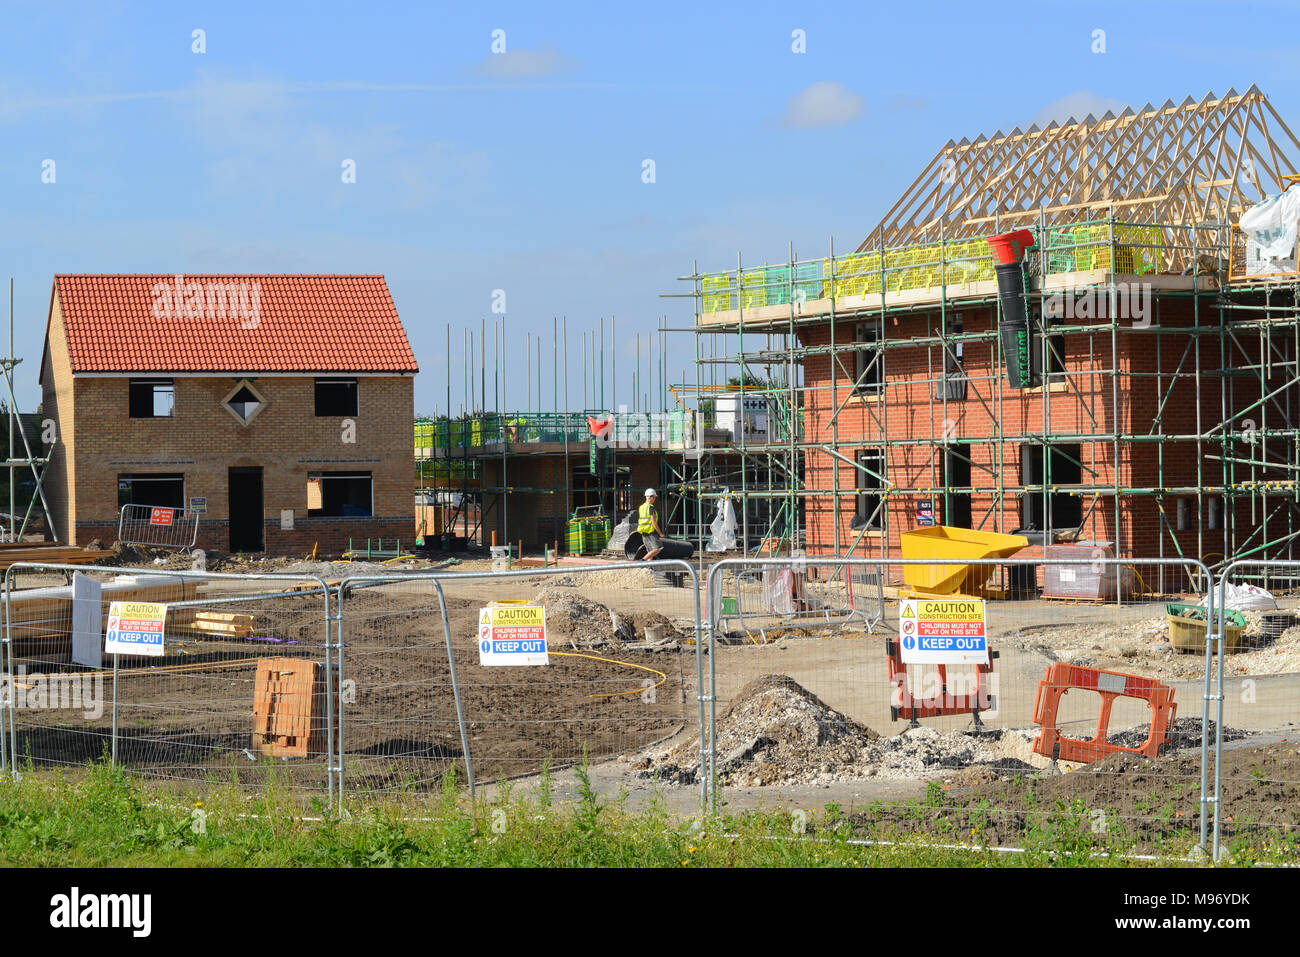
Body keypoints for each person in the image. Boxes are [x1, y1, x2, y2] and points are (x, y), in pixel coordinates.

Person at [637, 488, 664, 561]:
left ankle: (649, 569)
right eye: (654, 497)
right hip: (650, 532)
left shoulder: (641, 507)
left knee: (650, 552)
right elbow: (654, 522)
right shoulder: (651, 508)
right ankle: (642, 561)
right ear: (651, 497)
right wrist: (660, 533)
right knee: (657, 548)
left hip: (643, 531)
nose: (655, 499)